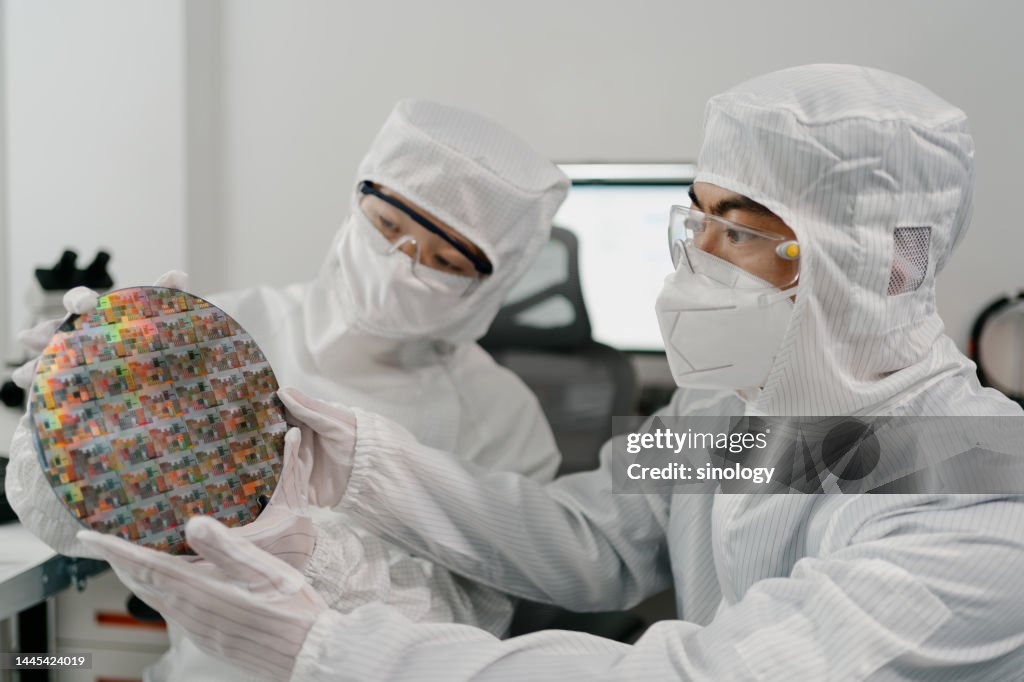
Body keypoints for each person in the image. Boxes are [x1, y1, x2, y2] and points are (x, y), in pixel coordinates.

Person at [85, 64, 1024, 680]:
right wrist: (369, 465)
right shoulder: (725, 407)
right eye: (696, 222)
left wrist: (331, 649)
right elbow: (593, 536)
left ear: (885, 263)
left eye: (740, 232)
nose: (695, 264)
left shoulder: (985, 498)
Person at [5, 100, 570, 680]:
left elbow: (471, 626)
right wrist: (67, 415)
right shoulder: (219, 334)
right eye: (387, 226)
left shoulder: (503, 414)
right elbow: (65, 528)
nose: (401, 265)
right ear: (357, 199)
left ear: (490, 285)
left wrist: (311, 554)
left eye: (444, 260)